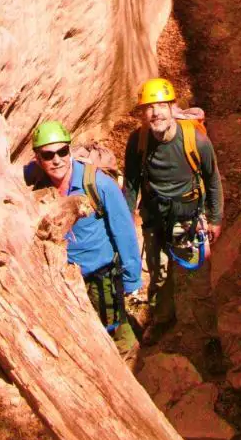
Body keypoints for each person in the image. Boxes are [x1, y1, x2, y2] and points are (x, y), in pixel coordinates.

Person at [24, 120, 141, 365]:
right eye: (48, 154)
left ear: (70, 149)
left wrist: (131, 278)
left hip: (102, 276)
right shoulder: (37, 185)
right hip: (65, 280)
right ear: (38, 158)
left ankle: (131, 372)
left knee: (117, 332)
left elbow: (124, 231)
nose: (56, 160)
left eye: (62, 151)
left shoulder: (98, 184)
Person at [123, 78, 224, 347]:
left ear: (172, 107)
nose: (155, 112)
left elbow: (213, 180)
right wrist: (125, 222)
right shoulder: (137, 142)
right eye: (149, 107)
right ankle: (164, 319)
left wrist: (214, 219)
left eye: (161, 105)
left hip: (189, 220)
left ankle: (209, 338)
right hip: (155, 221)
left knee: (199, 285)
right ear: (142, 114)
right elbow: (131, 184)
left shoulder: (196, 141)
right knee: (159, 276)